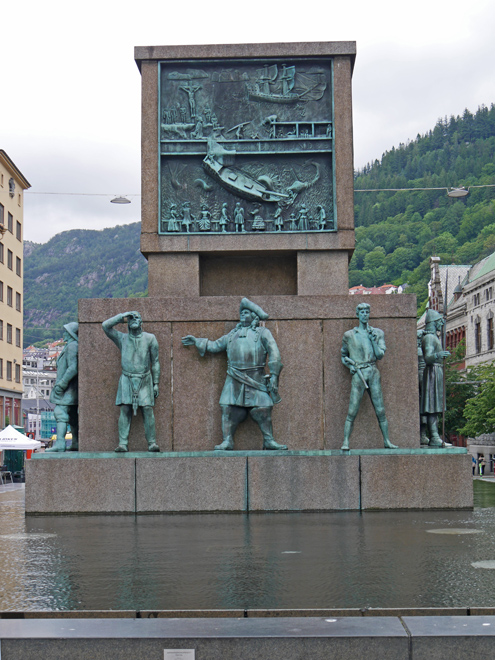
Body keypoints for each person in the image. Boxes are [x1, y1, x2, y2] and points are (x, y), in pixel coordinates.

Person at [181, 298, 287, 451]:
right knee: (227, 408)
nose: (243, 314)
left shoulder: (263, 333)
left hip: (256, 378)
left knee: (263, 408)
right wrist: (197, 341)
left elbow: (274, 353)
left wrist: (275, 375)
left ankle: (269, 440)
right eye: (241, 312)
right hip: (234, 377)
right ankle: (227, 440)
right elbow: (214, 345)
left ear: (255, 317)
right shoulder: (232, 335)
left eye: (247, 312)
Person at [341, 303, 398, 450]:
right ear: (357, 314)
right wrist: (350, 366)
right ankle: (346, 441)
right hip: (359, 374)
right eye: (362, 312)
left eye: (367, 312)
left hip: (373, 372)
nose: (365, 314)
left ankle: (387, 441)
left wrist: (373, 340)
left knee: (380, 410)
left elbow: (379, 355)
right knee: (352, 410)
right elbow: (343, 355)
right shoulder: (349, 335)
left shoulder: (378, 333)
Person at [103, 311, 160, 452]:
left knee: (147, 409)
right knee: (125, 409)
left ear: (142, 322)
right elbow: (105, 326)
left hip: (145, 378)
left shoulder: (150, 338)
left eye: (137, 317)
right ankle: (123, 443)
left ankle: (152, 442)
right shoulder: (122, 338)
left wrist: (156, 383)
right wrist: (122, 316)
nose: (134, 320)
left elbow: (156, 362)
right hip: (127, 378)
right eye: (131, 318)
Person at [421, 309, 451, 447]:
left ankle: (435, 435)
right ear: (433, 323)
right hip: (432, 371)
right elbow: (427, 357)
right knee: (432, 406)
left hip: (436, 371)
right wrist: (439, 355)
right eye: (439, 322)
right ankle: (433, 436)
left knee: (436, 406)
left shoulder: (434, 337)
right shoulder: (429, 338)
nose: (441, 325)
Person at [47, 322, 79, 452]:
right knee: (72, 416)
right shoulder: (71, 346)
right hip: (72, 388)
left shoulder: (72, 346)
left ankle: (60, 443)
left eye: (66, 331)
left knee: (60, 413)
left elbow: (73, 368)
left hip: (68, 388)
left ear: (71, 333)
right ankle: (76, 442)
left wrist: (62, 384)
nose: (64, 334)